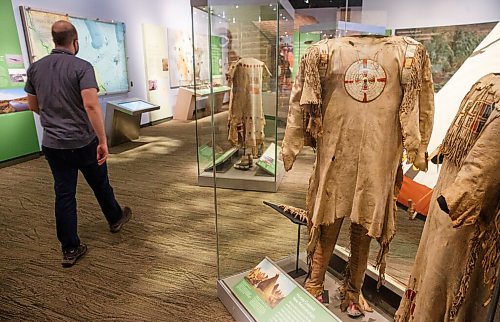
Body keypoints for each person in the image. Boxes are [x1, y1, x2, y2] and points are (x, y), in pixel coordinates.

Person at [25, 20, 132, 268]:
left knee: (64, 194)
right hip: (84, 142)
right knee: (100, 183)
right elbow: (91, 105)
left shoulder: (35, 69)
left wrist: (55, 119)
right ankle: (115, 218)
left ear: (54, 40)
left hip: (53, 144)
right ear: (75, 42)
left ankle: (70, 248)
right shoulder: (82, 67)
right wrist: (103, 140)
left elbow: (33, 105)